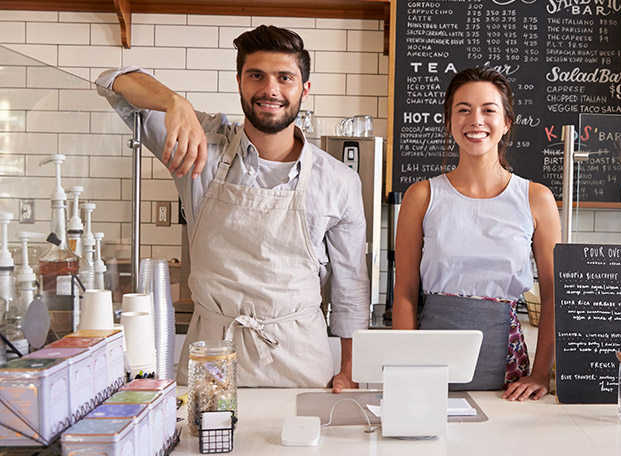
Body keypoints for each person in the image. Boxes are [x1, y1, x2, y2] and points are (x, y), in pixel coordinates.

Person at [96, 25, 369, 392]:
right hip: (210, 352)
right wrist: (175, 103)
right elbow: (111, 81)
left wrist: (350, 369)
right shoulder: (200, 144)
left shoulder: (339, 181)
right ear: (240, 80)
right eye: (256, 75)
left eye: (284, 78)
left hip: (299, 357)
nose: (270, 89)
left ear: (304, 89)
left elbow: (351, 288)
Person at [392, 67, 561, 400]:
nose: (476, 120)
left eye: (488, 110)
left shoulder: (536, 199)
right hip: (429, 364)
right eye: (463, 110)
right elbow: (406, 293)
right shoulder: (421, 196)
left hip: (508, 374)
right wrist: (407, 367)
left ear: (507, 122)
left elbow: (555, 296)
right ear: (449, 121)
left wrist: (542, 372)